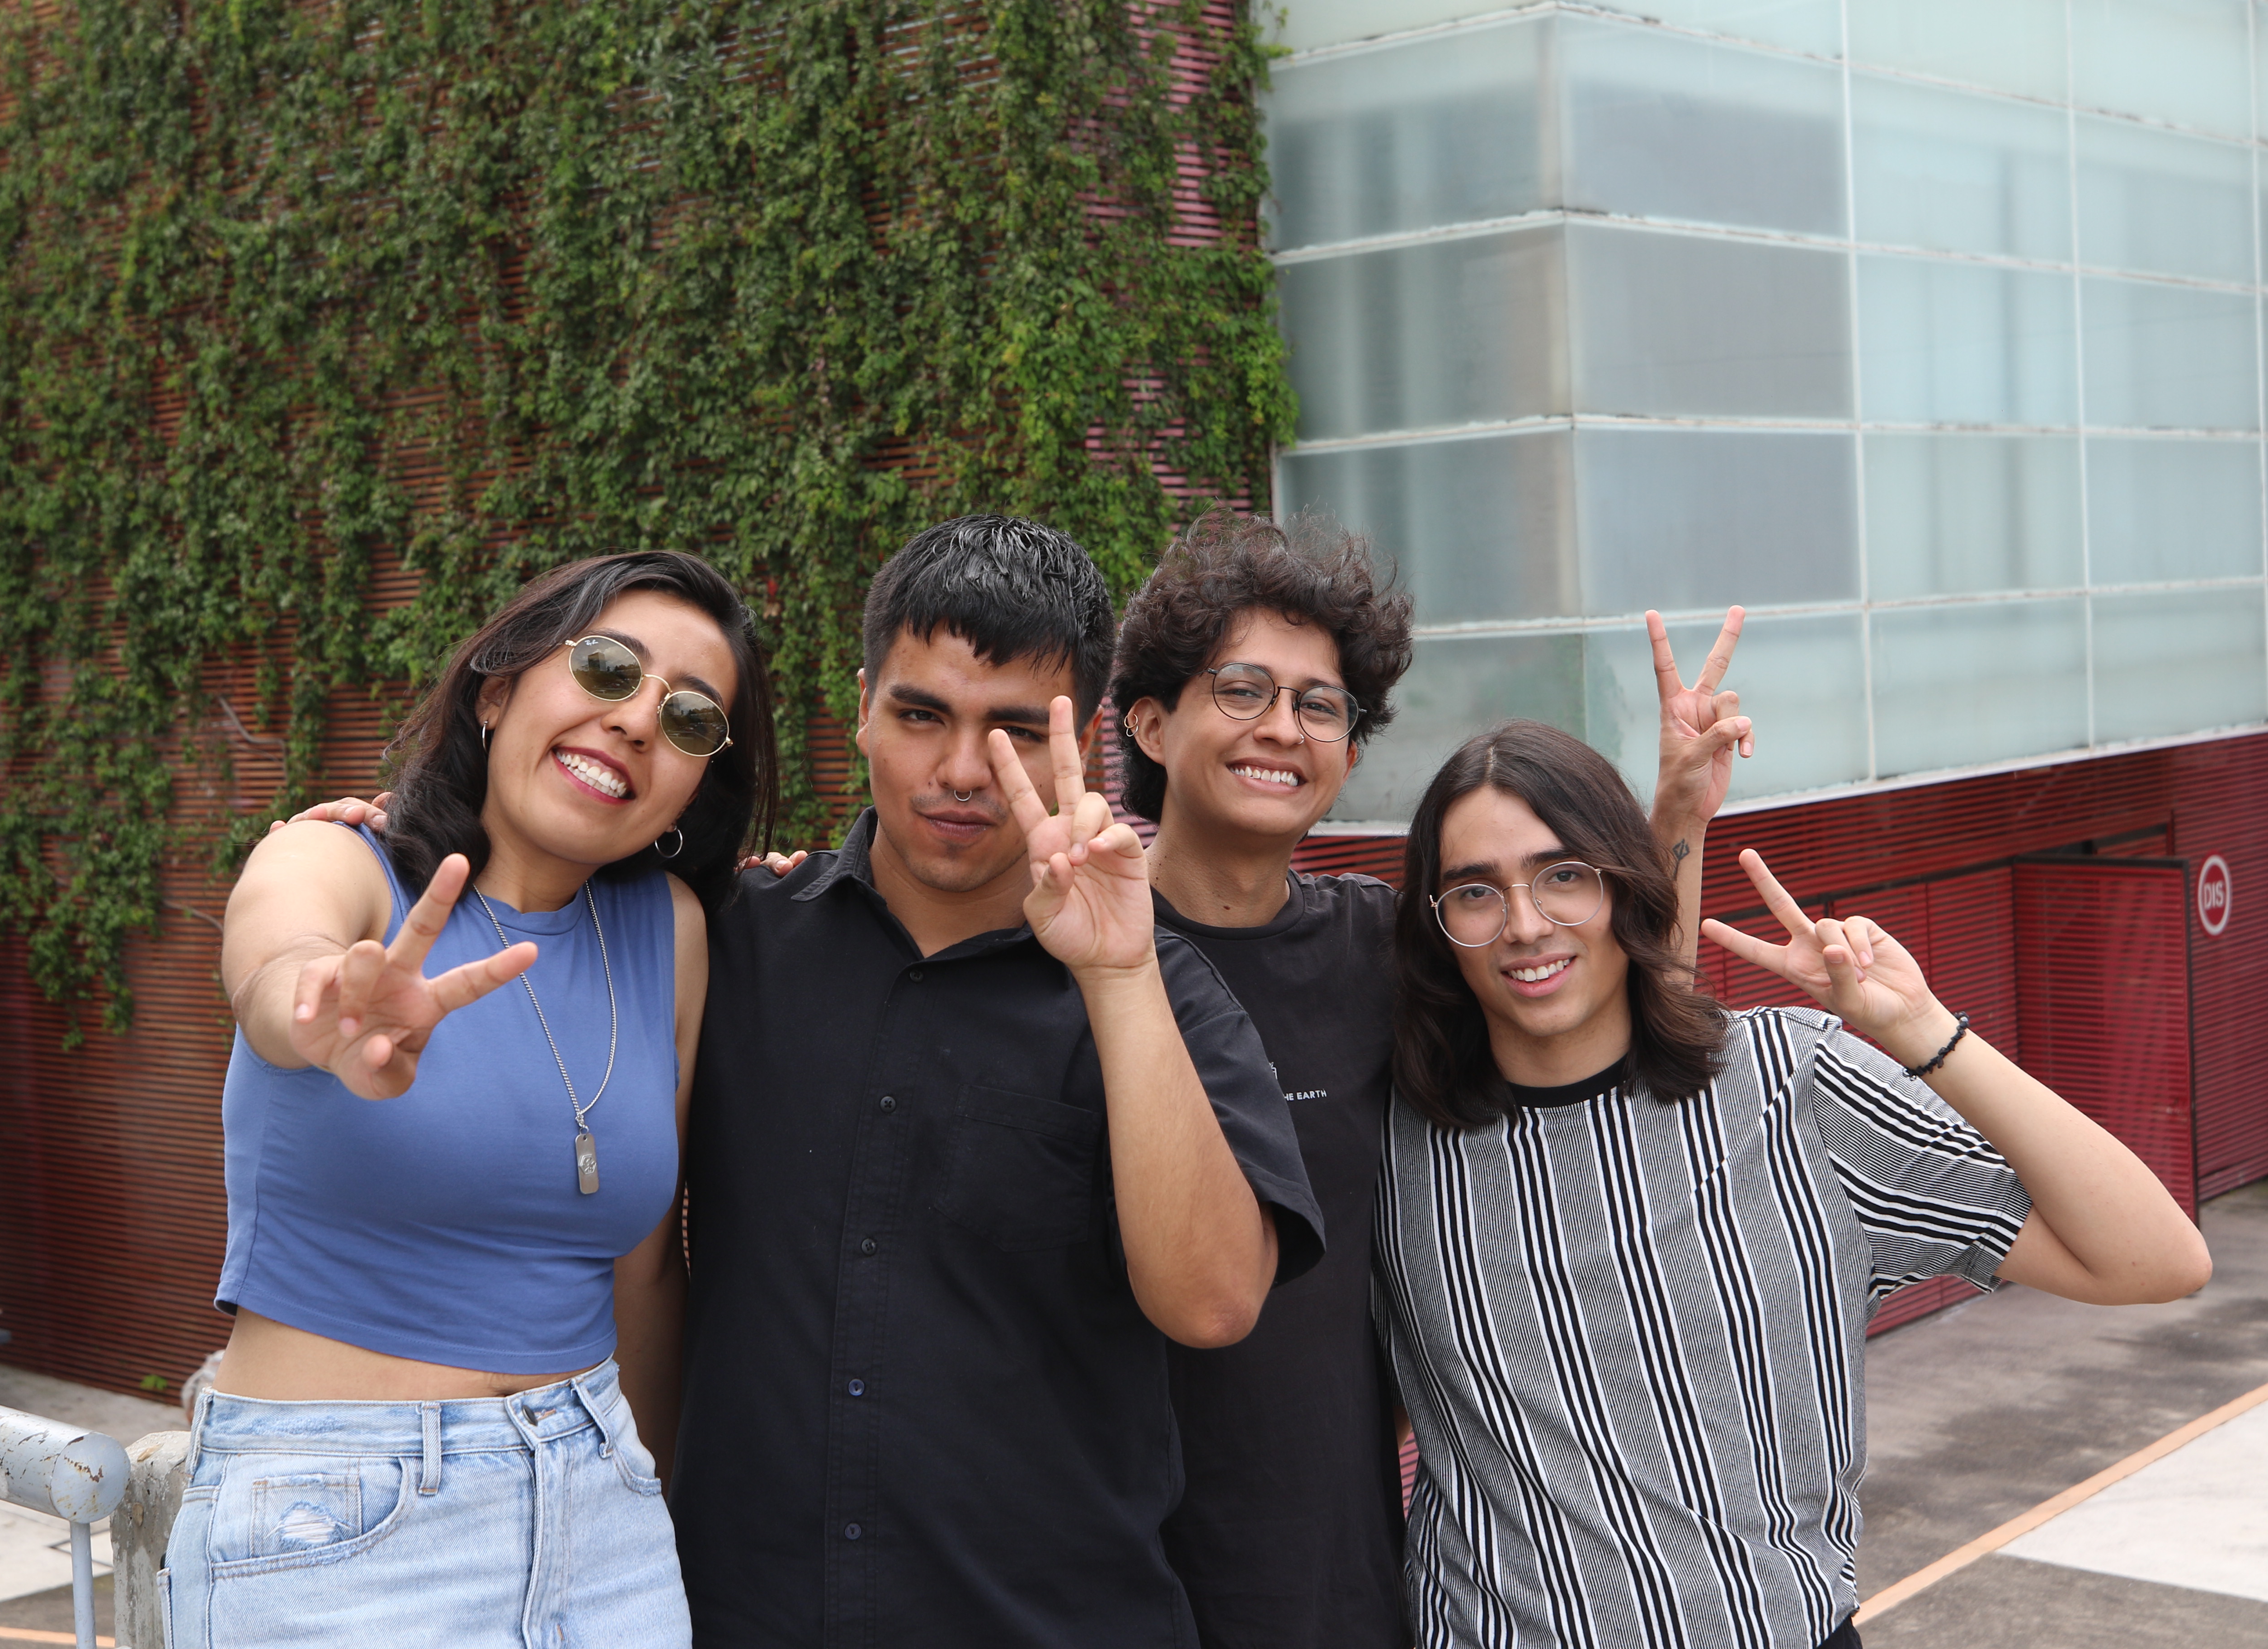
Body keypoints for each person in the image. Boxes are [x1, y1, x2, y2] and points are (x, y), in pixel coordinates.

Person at [1376, 720, 2212, 1649]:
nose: (1526, 923)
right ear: (1437, 925)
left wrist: (1921, 1028)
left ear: (1623, 884)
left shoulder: (1793, 1090)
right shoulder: (1391, 1143)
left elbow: (2155, 1260)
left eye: (1563, 875)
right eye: (1476, 892)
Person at [672, 514, 1322, 1648]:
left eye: (1016, 730)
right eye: (921, 714)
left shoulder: (1161, 990)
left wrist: (1117, 975)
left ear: (1086, 742)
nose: (964, 771)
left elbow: (1214, 1304)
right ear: (863, 705)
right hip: (742, 1616)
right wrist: (394, 844)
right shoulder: (726, 945)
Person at [1106, 509, 1752, 1649]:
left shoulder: (1380, 952)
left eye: (1321, 706)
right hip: (1082, 1574)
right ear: (1152, 724)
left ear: (1350, 754)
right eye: (1243, 689)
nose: (1283, 728)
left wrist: (1675, 824)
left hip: (1324, 1584)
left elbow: (1594, 1026)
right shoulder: (1061, 953)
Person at [165, 550, 776, 1649]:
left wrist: (657, 1501)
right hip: (340, 1522)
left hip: (605, 1517)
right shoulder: (342, 862)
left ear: (697, 784)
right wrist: (318, 1005)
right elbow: (276, 954)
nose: (639, 720)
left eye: (691, 718)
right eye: (606, 667)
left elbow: (643, 1273)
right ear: (496, 692)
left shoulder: (673, 933)